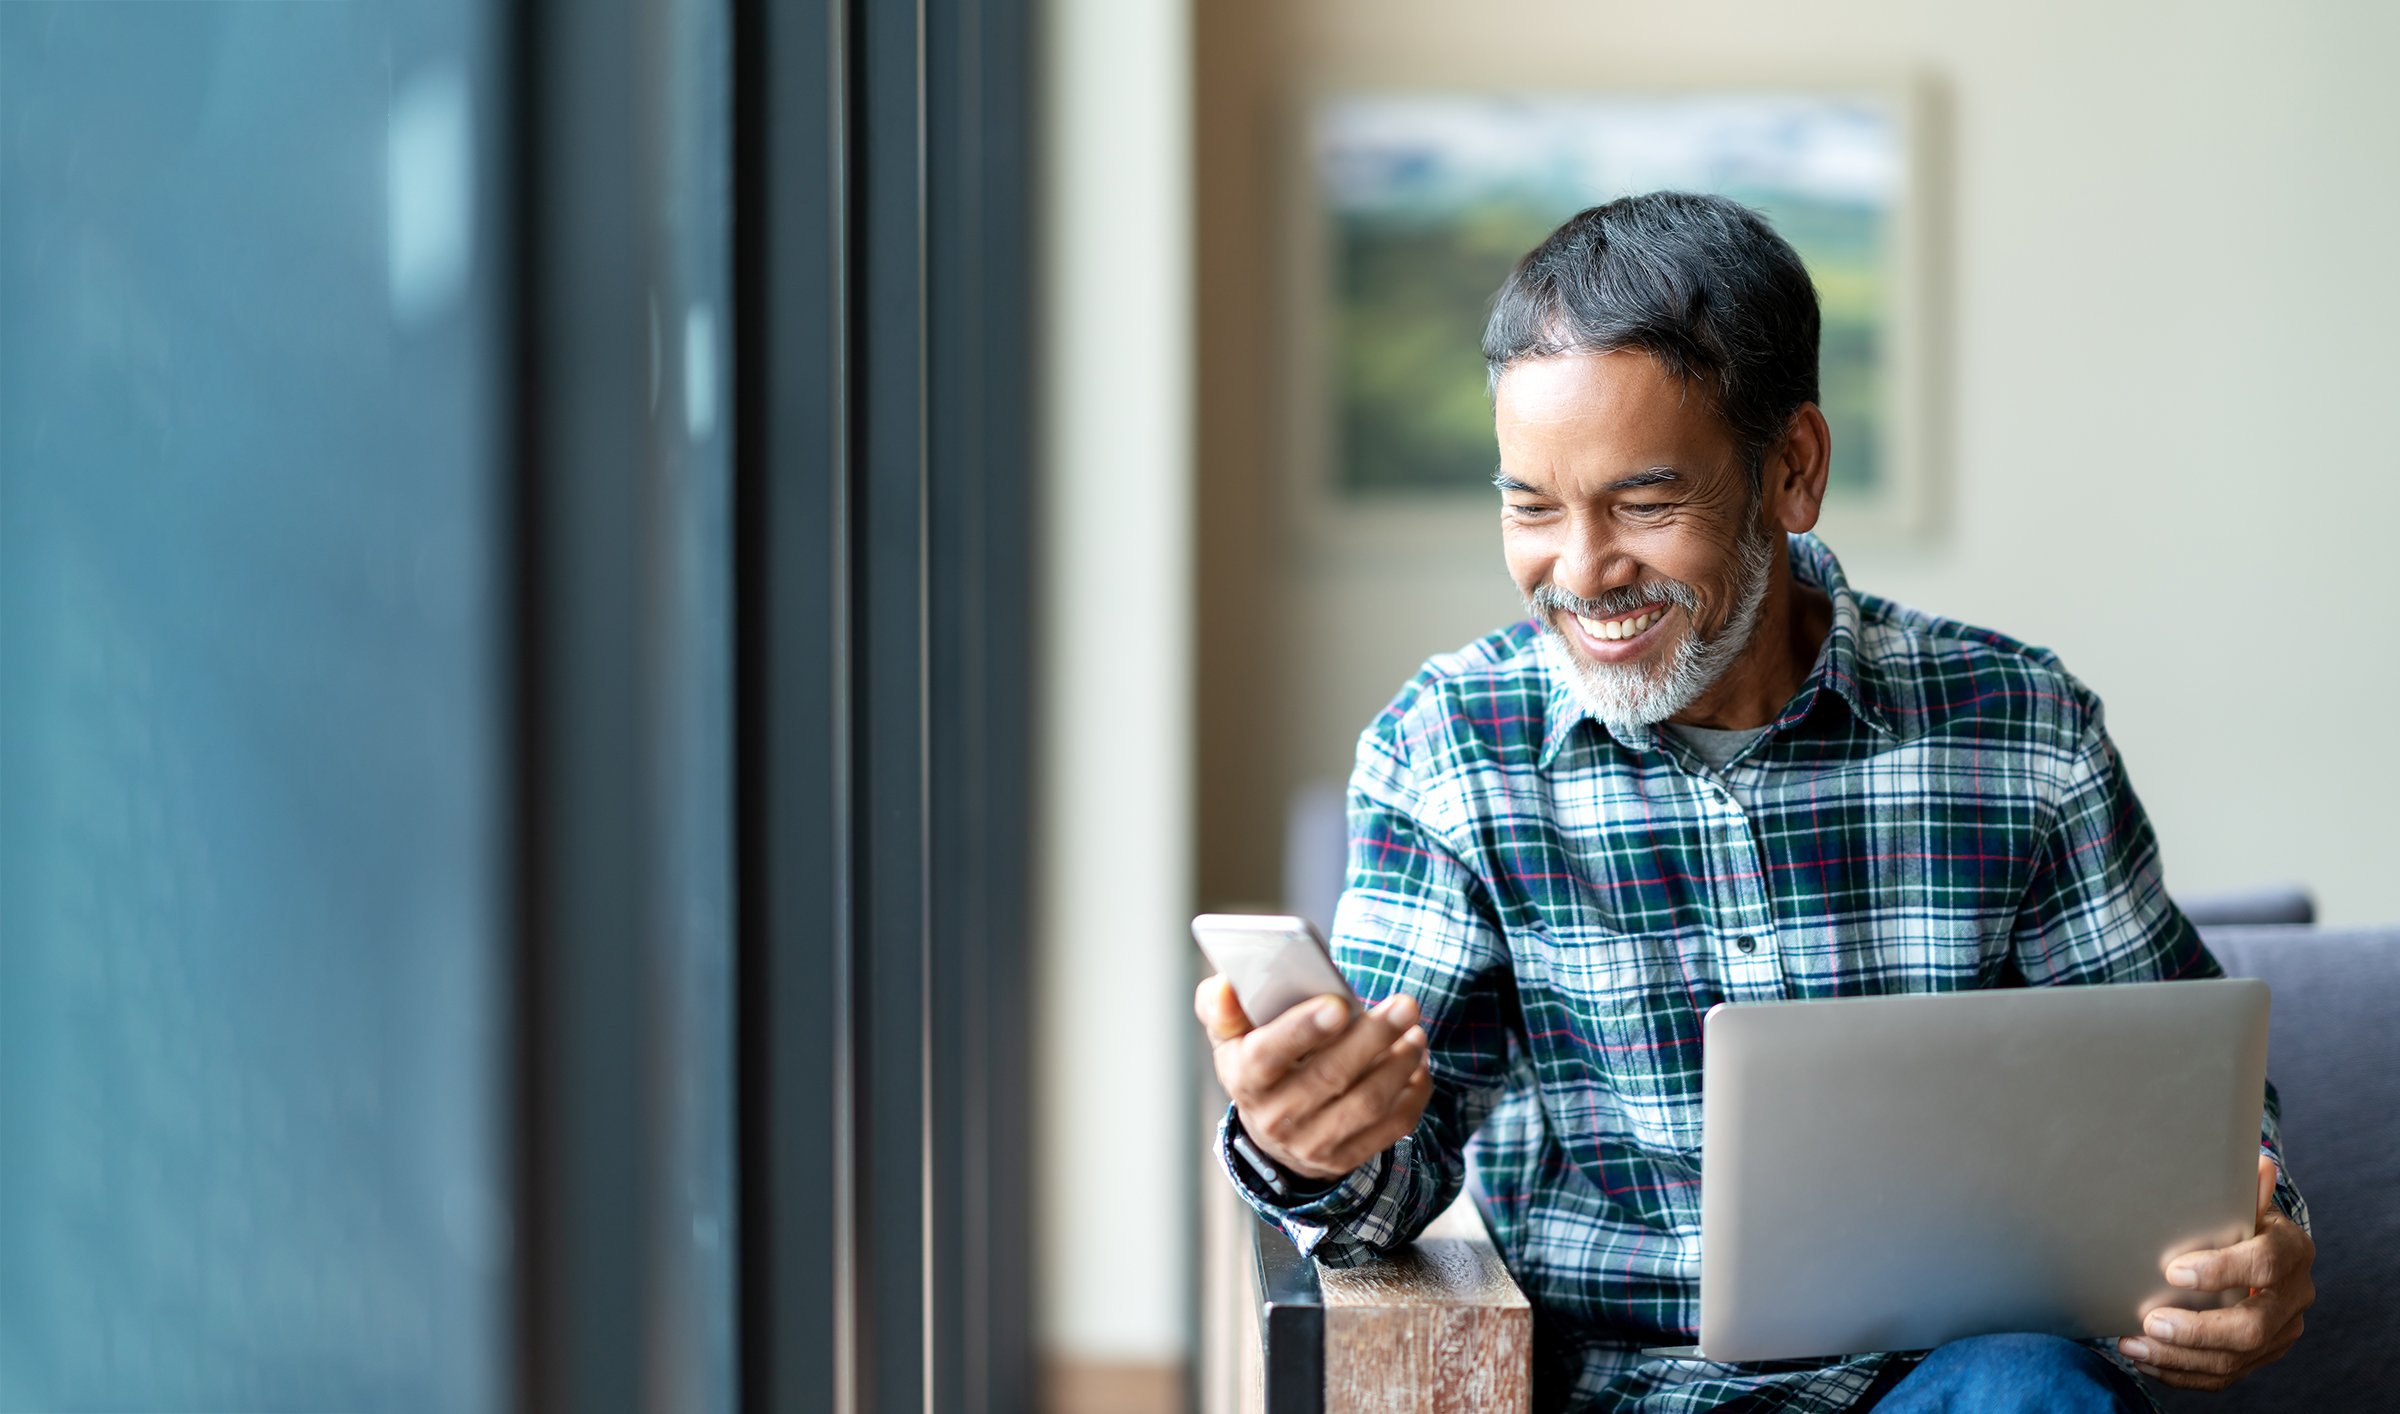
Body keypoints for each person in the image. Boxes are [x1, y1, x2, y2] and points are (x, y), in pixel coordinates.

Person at [1196, 192, 2316, 1413]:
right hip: (1611, 1385)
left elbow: (2183, 1101)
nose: (1579, 574)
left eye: (1644, 502)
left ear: (1793, 469)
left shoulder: (2020, 728)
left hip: (1951, 1379)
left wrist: (2251, 1238)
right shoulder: (1451, 748)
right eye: (1531, 505)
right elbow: (1389, 1188)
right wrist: (1311, 1143)